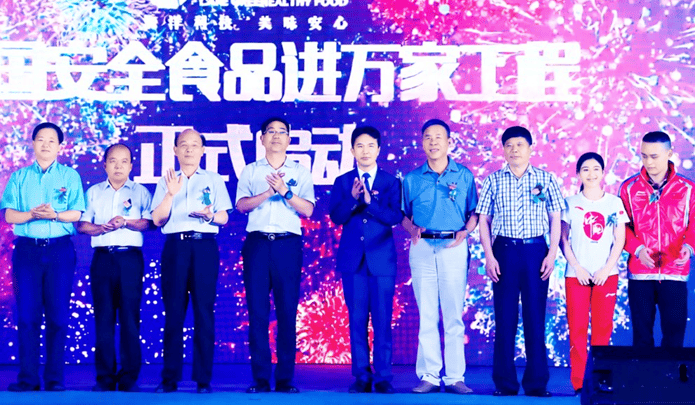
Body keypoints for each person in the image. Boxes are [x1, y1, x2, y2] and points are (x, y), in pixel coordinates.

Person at [476, 126, 563, 397]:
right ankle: (505, 384)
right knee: (505, 318)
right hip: (504, 251)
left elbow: (555, 217)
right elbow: (484, 220)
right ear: (503, 149)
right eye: (509, 145)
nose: (514, 149)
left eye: (520, 144)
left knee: (535, 317)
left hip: (536, 251)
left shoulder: (545, 179)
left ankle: (537, 384)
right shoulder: (493, 180)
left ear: (530, 148)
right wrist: (489, 256)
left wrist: (552, 254)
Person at [0, 122, 85, 392]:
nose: (46, 144)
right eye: (40, 139)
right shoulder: (19, 177)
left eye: (51, 140)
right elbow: (9, 214)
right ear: (33, 144)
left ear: (60, 146)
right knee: (27, 317)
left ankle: (54, 379)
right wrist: (32, 215)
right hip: (27, 252)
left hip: (60, 250)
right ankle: (28, 379)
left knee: (58, 317)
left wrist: (55, 215)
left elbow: (77, 213)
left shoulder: (70, 176)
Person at [236, 117, 315, 394]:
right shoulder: (250, 170)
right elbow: (241, 206)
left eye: (282, 132)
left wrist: (285, 191)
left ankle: (284, 379)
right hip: (257, 244)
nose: (276, 136)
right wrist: (268, 192)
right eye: (271, 131)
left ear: (289, 139)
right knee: (257, 312)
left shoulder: (300, 172)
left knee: (286, 312)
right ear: (262, 139)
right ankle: (260, 378)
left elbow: (308, 209)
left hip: (287, 245)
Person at [151, 128, 232, 394]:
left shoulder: (213, 179)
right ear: (175, 150)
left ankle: (203, 379)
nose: (188, 149)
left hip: (204, 246)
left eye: (194, 145)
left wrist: (210, 216)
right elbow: (157, 220)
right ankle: (170, 378)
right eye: (183, 145)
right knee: (174, 313)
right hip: (175, 247)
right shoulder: (166, 180)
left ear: (203, 150)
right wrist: (170, 194)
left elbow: (224, 217)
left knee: (204, 312)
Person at [401, 119, 478, 395]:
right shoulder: (412, 179)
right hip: (422, 247)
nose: (433, 142)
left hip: (453, 246)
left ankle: (455, 376)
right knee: (427, 313)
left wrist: (466, 232)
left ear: (449, 142)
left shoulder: (464, 175)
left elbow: (474, 213)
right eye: (427, 137)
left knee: (454, 313)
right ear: (422, 143)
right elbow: (404, 215)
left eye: (438, 137)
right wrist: (411, 229)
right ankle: (429, 375)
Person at [329, 126, 403, 394]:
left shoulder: (390, 182)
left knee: (382, 320)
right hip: (353, 261)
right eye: (359, 146)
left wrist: (370, 201)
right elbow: (336, 217)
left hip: (382, 260)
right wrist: (352, 199)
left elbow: (394, 217)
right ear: (351, 150)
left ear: (379, 149)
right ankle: (361, 375)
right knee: (357, 320)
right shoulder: (342, 181)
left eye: (370, 145)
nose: (365, 151)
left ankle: (383, 376)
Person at [77, 144, 153, 392]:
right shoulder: (93, 192)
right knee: (104, 319)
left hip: (130, 259)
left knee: (130, 318)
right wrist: (101, 228)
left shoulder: (141, 192)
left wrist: (125, 222)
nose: (118, 166)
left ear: (131, 166)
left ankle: (129, 377)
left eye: (123, 161)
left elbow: (149, 223)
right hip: (102, 259)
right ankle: (105, 378)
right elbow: (82, 225)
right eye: (113, 161)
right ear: (105, 165)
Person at [560, 152, 628, 394]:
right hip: (575, 276)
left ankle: (600, 381)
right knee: (577, 330)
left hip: (606, 276)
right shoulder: (569, 203)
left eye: (596, 168)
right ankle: (579, 382)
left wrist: (606, 269)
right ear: (578, 174)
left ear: (603, 172)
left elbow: (620, 240)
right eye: (585, 169)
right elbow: (562, 239)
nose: (591, 174)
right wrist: (577, 267)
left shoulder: (614, 203)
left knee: (602, 330)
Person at [619, 131, 695, 349]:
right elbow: (621, 227)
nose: (649, 162)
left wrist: (689, 247)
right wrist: (637, 249)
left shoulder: (688, 189)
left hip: (675, 271)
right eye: (644, 156)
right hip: (640, 272)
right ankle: (643, 373)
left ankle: (670, 374)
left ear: (669, 154)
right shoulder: (629, 188)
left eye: (654, 156)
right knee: (641, 337)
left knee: (674, 336)